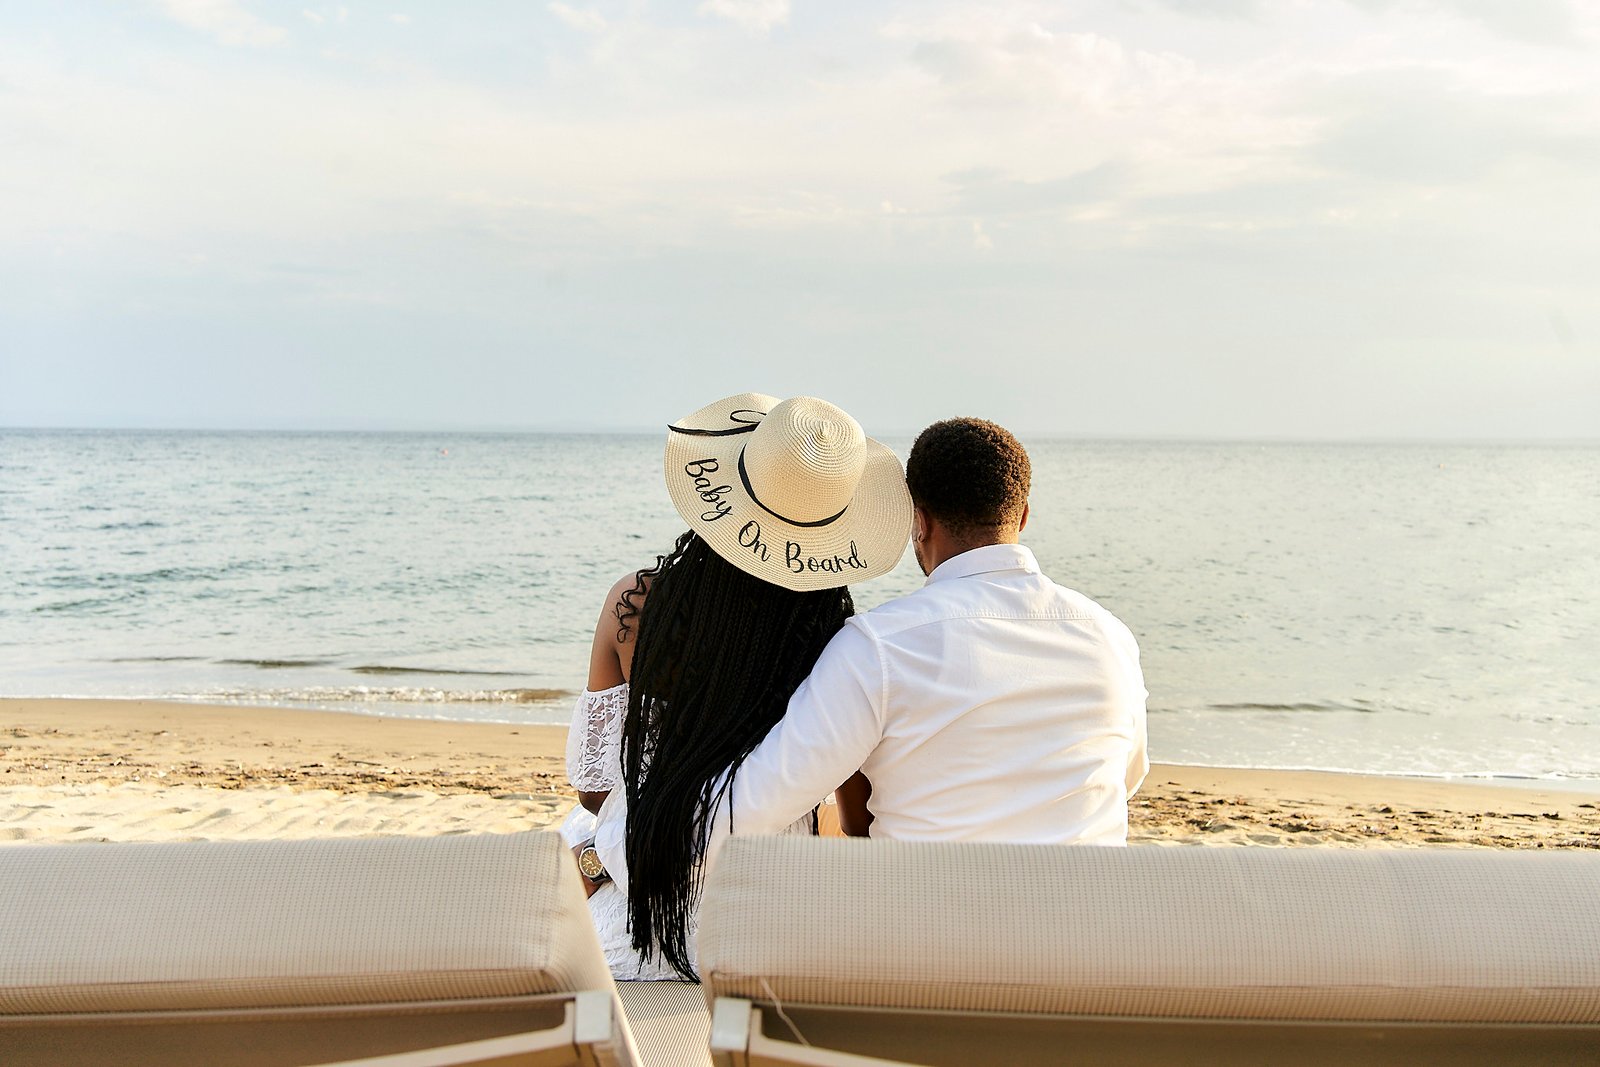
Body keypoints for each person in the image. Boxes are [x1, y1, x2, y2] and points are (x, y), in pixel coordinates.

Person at [654, 416, 1148, 855]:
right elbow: (1124, 778)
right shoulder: (1111, 638)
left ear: (919, 520)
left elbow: (745, 814)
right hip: (1091, 944)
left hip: (929, 946)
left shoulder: (879, 646)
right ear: (1021, 517)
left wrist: (606, 843)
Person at [561, 392, 912, 981]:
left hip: (640, 924)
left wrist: (607, 855)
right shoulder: (836, 641)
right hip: (770, 929)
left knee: (577, 837)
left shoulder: (635, 607)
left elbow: (595, 790)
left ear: (720, 496)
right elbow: (857, 821)